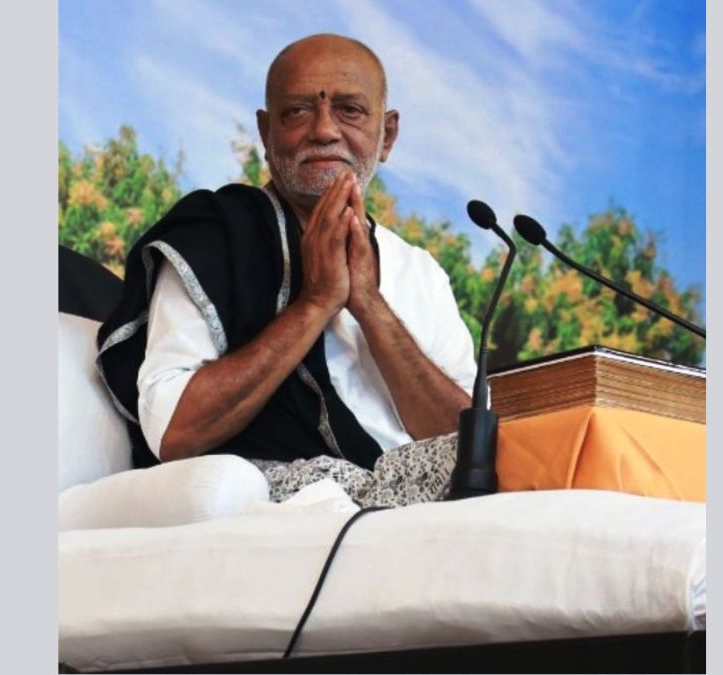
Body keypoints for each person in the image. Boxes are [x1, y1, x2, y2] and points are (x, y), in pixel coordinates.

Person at [97, 34, 476, 507]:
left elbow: (469, 449)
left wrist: (368, 303)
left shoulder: (420, 272)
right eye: (297, 111)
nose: (323, 130)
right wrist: (315, 304)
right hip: (289, 500)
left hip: (418, 503)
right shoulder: (217, 236)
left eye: (350, 110)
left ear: (388, 134)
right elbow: (175, 432)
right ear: (266, 132)